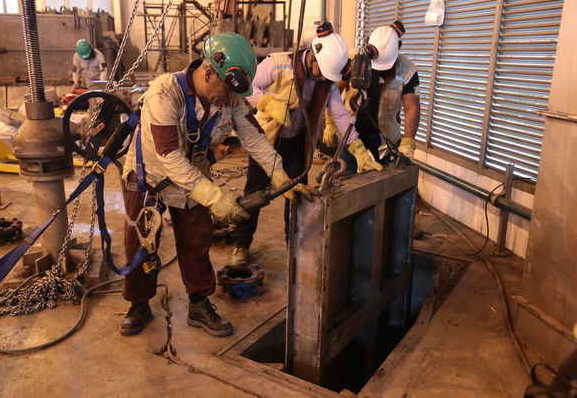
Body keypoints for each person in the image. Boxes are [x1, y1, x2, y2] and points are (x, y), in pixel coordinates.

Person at [119, 33, 315, 337]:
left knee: (197, 240)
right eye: (226, 88)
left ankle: (198, 304)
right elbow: (169, 155)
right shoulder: (163, 93)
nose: (229, 97)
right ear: (209, 72)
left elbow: (255, 139)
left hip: (192, 178)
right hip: (150, 177)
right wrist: (215, 197)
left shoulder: (232, 99)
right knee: (142, 243)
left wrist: (281, 176)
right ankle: (139, 303)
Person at [230, 22, 383, 266]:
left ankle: (295, 245)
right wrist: (268, 103)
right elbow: (245, 87)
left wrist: (357, 148)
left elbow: (340, 114)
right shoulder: (277, 63)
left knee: (297, 196)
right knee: (255, 193)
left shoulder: (326, 79)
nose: (323, 78)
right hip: (266, 139)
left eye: (327, 76)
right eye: (321, 72)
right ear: (312, 54)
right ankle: (241, 244)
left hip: (297, 141)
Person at [331, 21, 420, 164]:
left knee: (383, 181)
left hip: (386, 138)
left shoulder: (407, 70)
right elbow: (334, 91)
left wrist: (408, 142)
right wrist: (330, 122)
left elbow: (412, 107)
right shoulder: (354, 60)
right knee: (347, 179)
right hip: (352, 134)